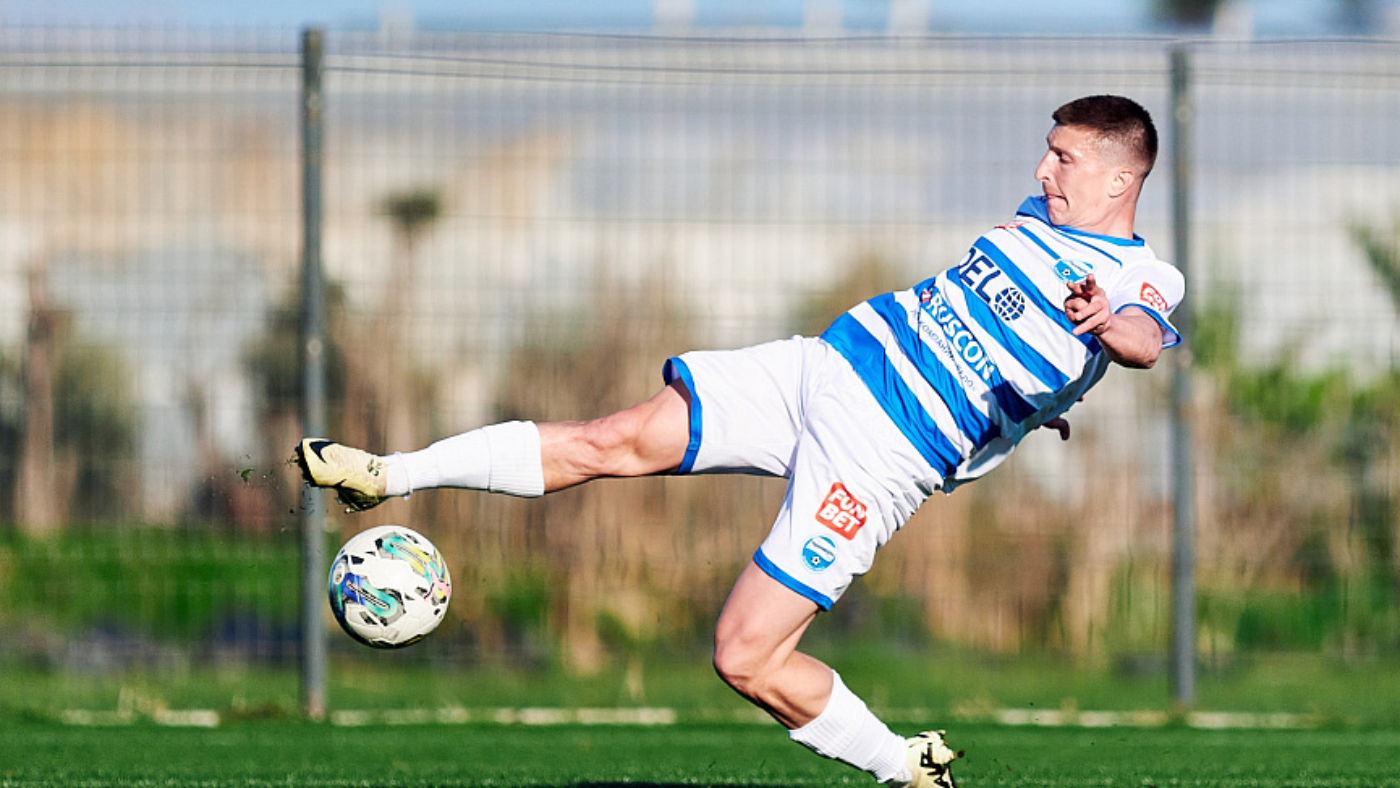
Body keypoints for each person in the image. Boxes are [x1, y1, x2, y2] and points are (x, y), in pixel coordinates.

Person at [296, 94, 1183, 788]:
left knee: (744, 656)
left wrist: (1105, 324)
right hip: (822, 367)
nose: (1042, 167)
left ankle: (904, 766)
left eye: (1064, 157)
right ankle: (387, 474)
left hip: (879, 454)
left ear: (1118, 180)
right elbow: (1012, 328)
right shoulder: (1033, 214)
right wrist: (1034, 397)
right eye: (1047, 150)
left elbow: (1143, 340)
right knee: (617, 437)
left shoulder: (1140, 275)